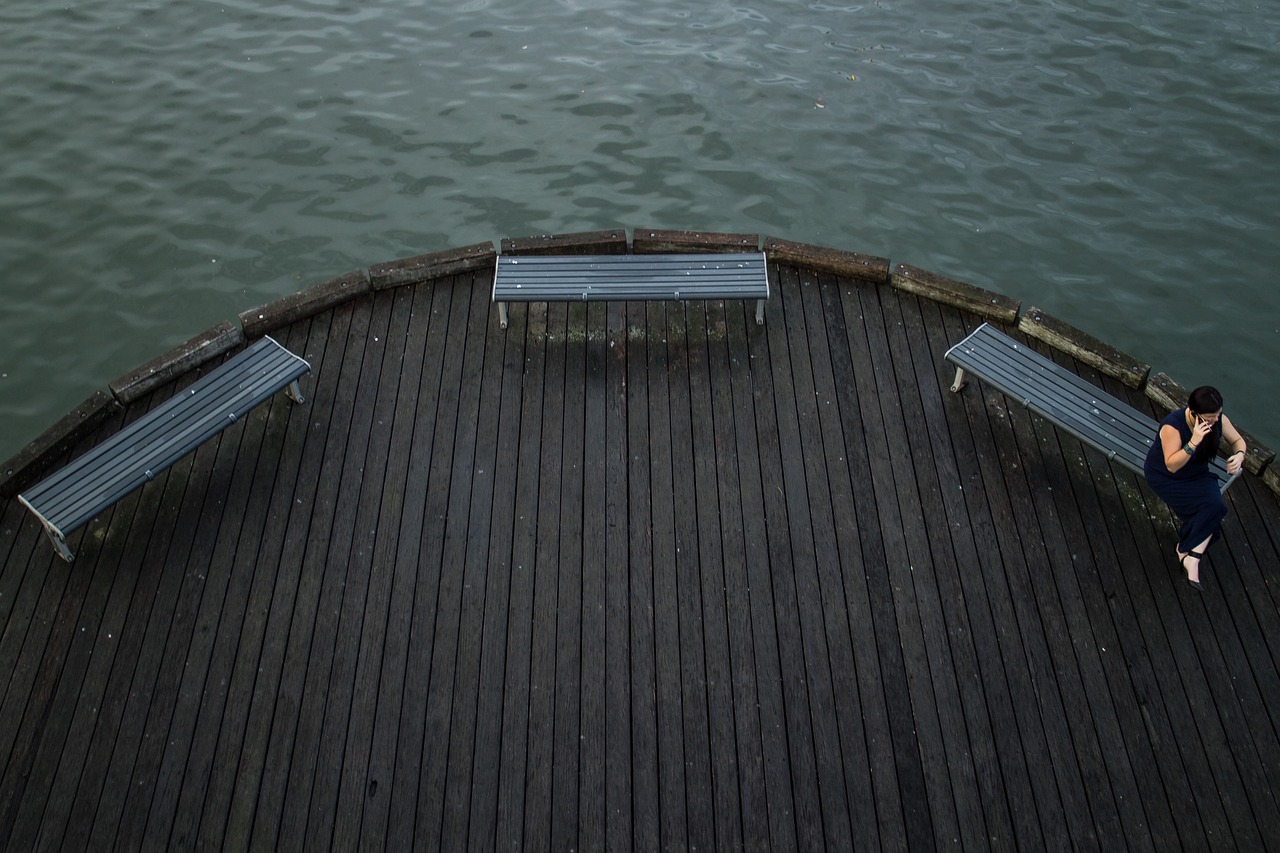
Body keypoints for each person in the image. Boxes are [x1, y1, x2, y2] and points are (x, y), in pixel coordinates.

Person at [1143, 386, 1247, 589]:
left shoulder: (1218, 420)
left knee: (1215, 507)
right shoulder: (1172, 427)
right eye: (1209, 417)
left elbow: (1237, 440)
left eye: (1217, 415)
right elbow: (1172, 465)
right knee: (1210, 509)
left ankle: (1188, 552)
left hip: (1196, 474)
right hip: (1167, 477)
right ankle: (1191, 555)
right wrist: (1193, 441)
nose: (1215, 420)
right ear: (1193, 413)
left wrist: (1240, 454)